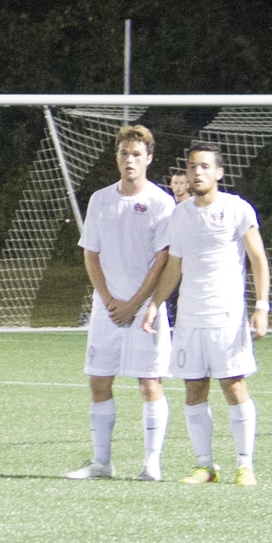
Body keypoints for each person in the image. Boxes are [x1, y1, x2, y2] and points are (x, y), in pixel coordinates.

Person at [146, 145, 271, 485]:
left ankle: (245, 465)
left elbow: (258, 258)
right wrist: (156, 304)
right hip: (189, 317)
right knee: (194, 389)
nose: (196, 173)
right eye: (191, 167)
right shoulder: (181, 214)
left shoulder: (235, 208)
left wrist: (262, 307)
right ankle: (205, 466)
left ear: (218, 173)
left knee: (234, 386)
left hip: (227, 316)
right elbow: (175, 264)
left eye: (203, 167)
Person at [66, 124, 175, 480]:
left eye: (137, 155)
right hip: (107, 309)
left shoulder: (161, 202)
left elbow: (162, 260)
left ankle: (151, 464)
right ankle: (101, 462)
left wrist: (134, 303)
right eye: (124, 154)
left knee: (149, 383)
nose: (130, 160)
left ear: (149, 159)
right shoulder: (100, 199)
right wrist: (110, 299)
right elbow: (91, 256)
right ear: (117, 157)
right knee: (99, 381)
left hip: (145, 310)